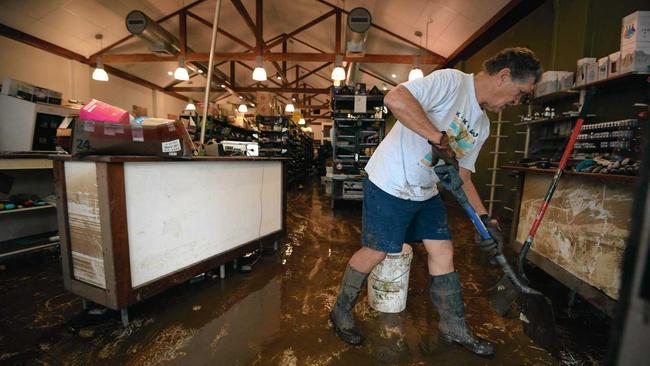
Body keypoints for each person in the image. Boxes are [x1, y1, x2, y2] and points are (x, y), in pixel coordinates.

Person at [329, 47, 541, 357]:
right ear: (505, 76)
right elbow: (395, 99)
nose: (517, 103)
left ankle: (453, 326)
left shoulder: (482, 125)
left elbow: (463, 176)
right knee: (377, 251)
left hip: (425, 190)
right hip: (390, 181)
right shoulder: (452, 82)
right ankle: (341, 310)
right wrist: (437, 138)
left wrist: (486, 219)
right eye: (520, 94)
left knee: (443, 250)